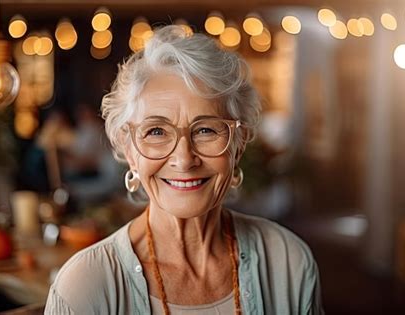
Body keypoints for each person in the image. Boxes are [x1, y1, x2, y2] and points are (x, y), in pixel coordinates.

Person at [44, 25, 324, 315]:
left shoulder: (289, 263)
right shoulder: (85, 288)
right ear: (129, 151)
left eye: (205, 129)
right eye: (156, 131)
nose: (184, 159)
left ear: (238, 144)